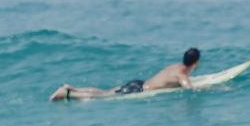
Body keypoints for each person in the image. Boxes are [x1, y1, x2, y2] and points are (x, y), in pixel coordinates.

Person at [50, 48, 201, 101]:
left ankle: (73, 88)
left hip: (138, 83)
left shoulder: (174, 66)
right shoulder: (182, 75)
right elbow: (189, 89)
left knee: (106, 91)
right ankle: (67, 94)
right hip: (140, 90)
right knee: (103, 96)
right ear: (196, 62)